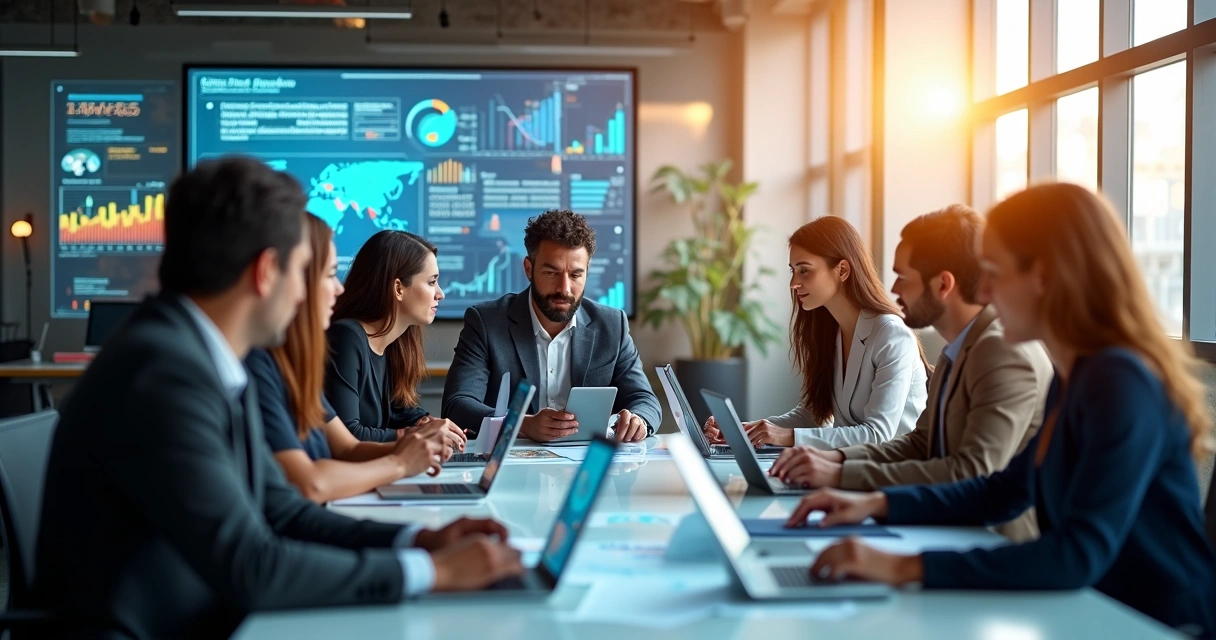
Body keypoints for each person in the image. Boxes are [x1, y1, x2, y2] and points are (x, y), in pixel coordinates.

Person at [33, 158, 524, 639]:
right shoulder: (162, 374)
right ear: (267, 271)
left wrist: (421, 540)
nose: (327, 291)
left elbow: (283, 511)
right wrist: (433, 572)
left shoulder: (212, 357)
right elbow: (252, 566)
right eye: (309, 271)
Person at [788, 184, 1216, 637]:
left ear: (1044, 276)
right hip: (1098, 610)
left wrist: (904, 566)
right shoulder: (1076, 375)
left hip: (1153, 624)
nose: (984, 290)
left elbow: (1077, 553)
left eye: (994, 272)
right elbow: (1004, 490)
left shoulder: (1120, 380)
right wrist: (874, 503)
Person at [768, 205, 1052, 541]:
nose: (894, 289)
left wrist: (843, 476)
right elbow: (920, 444)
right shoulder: (956, 349)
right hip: (943, 523)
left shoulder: (1001, 350)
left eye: (903, 277)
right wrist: (836, 461)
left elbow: (971, 472)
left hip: (991, 540)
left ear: (943, 284)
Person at [247, 214, 455, 504]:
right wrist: (403, 457)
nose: (339, 288)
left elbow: (348, 447)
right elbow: (317, 479)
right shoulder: (266, 363)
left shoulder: (290, 365)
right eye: (329, 274)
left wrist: (421, 441)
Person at [705, 215, 927, 448]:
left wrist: (785, 436)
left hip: (889, 467)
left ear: (842, 270)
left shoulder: (891, 335)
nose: (793, 283)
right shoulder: (830, 332)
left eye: (804, 270)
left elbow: (878, 434)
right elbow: (812, 416)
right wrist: (745, 430)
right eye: (793, 270)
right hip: (847, 463)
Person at [443, 209, 661, 443]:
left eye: (575, 275)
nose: (564, 288)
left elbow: (645, 400)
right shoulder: (486, 322)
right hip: (512, 459)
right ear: (529, 269)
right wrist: (522, 424)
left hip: (587, 460)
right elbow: (457, 406)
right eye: (551, 273)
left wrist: (638, 420)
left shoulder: (612, 325)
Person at [325, 230, 466, 451]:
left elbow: (396, 411)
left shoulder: (394, 343)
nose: (440, 293)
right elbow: (348, 435)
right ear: (399, 288)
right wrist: (418, 435)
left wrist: (425, 422)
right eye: (432, 282)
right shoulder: (346, 337)